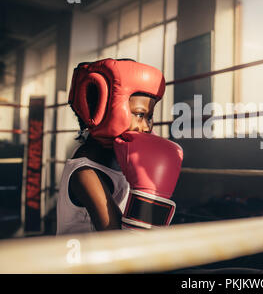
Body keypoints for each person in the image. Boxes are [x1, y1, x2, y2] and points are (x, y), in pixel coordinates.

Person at [56, 58, 182, 235]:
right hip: (84, 261)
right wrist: (150, 193)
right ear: (103, 110)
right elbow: (119, 243)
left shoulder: (125, 158)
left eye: (149, 117)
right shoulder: (85, 174)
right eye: (139, 114)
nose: (145, 127)